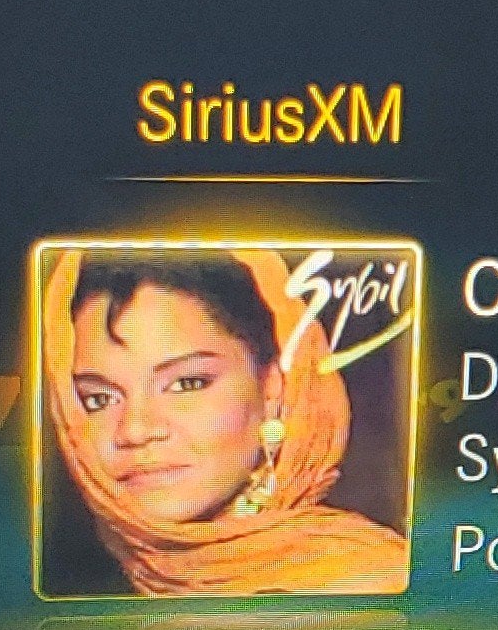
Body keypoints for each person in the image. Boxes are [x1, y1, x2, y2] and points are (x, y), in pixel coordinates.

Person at [40, 246, 410, 594]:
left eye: (187, 383)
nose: (135, 430)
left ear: (273, 389)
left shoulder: (369, 582)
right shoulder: (50, 593)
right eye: (99, 399)